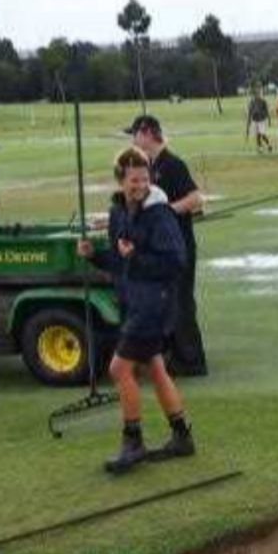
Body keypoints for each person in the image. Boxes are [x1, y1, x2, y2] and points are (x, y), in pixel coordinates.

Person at [76, 146, 195, 474]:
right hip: (134, 301)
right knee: (155, 368)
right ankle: (182, 436)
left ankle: (133, 442)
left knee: (118, 370)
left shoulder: (160, 215)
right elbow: (118, 260)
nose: (139, 185)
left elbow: (175, 262)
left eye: (143, 179)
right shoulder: (119, 213)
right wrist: (93, 256)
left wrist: (133, 258)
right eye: (132, 180)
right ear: (119, 180)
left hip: (154, 305)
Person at [125, 114, 208, 377]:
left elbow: (196, 199)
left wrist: (168, 211)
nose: (133, 140)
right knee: (168, 303)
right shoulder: (149, 167)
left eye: (134, 134)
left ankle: (193, 362)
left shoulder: (172, 164)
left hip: (179, 248)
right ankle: (175, 355)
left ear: (147, 133)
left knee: (182, 303)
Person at [245, 88, 273, 153]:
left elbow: (267, 111)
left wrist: (269, 120)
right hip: (255, 120)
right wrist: (248, 124)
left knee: (262, 134)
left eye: (258, 94)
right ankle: (260, 148)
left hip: (261, 120)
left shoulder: (263, 101)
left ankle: (269, 145)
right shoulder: (251, 102)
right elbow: (250, 112)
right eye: (255, 94)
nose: (257, 95)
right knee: (257, 135)